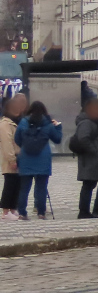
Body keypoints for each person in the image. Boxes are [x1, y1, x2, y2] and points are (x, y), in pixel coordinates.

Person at [14, 101, 61, 220]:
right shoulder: (48, 123)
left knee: (24, 188)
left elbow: (17, 139)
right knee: (41, 187)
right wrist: (58, 126)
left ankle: (22, 213)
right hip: (43, 158)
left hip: (25, 158)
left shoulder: (23, 122)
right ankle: (41, 213)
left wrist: (25, 146)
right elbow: (57, 139)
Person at [70, 98, 98, 218]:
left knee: (90, 185)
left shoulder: (93, 122)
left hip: (93, 160)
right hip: (89, 160)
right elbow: (83, 139)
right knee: (88, 186)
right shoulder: (86, 123)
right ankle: (84, 211)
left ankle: (85, 211)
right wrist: (95, 151)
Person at [0, 92, 25, 220]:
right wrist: (11, 159)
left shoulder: (16, 122)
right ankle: (5, 211)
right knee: (9, 184)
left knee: (17, 184)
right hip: (10, 158)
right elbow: (7, 143)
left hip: (18, 157)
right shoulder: (5, 124)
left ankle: (13, 209)